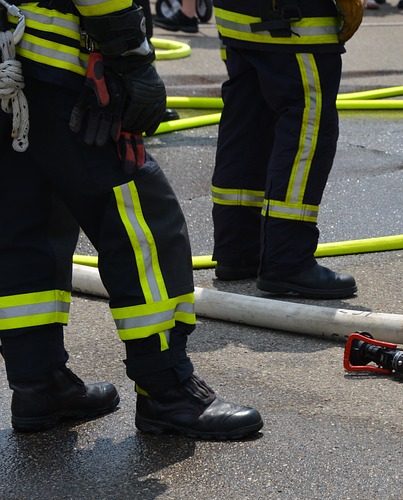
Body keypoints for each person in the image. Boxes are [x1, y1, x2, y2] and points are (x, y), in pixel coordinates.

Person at [0, 0, 263, 439]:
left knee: (25, 223)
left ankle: (38, 384)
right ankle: (168, 389)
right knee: (141, 221)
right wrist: (132, 59)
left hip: (12, 65)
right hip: (57, 65)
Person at [209, 0, 363, 299]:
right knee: (308, 124)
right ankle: (286, 258)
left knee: (249, 119)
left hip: (237, 16)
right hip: (292, 20)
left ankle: (239, 247)